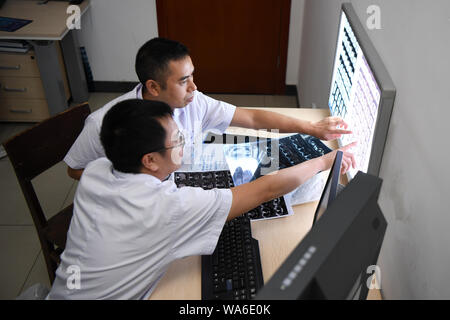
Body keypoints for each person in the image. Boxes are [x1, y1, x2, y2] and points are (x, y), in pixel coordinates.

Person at [47, 99, 356, 300]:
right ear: (150, 160)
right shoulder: (168, 208)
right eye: (177, 140)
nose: (185, 141)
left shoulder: (97, 170)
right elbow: (265, 190)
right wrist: (325, 162)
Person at [65, 37, 352, 180]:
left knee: (271, 167)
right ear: (153, 87)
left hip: (193, 176)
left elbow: (250, 116)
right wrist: (137, 175)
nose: (194, 87)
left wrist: (311, 128)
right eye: (183, 81)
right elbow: (75, 169)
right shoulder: (102, 123)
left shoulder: (193, 100)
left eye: (192, 76)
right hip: (153, 199)